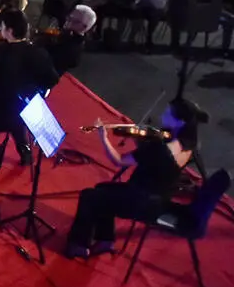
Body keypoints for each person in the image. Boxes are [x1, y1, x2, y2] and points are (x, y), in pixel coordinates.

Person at [64, 98, 206, 259]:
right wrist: (141, 143)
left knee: (89, 196)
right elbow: (158, 165)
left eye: (168, 113)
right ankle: (105, 240)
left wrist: (103, 138)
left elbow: (118, 160)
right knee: (102, 189)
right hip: (160, 199)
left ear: (179, 122)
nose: (163, 115)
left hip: (142, 202)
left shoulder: (160, 148)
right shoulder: (189, 146)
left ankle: (78, 245)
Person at [0, 9, 60, 165]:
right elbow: (52, 79)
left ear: (9, 31)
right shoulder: (39, 53)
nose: (0, 29)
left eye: (2, 27)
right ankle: (24, 150)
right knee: (15, 110)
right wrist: (34, 92)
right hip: (26, 113)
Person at [41, 3, 97, 77]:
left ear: (84, 27)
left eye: (75, 21)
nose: (68, 23)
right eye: (69, 18)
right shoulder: (64, 34)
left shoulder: (73, 48)